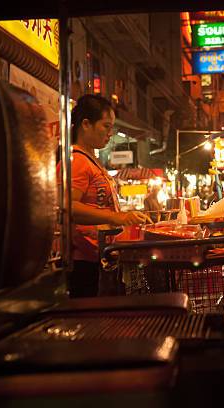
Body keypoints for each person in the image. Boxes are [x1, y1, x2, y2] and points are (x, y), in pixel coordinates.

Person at [57, 94, 152, 297]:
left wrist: (127, 215)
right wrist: (115, 217)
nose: (110, 133)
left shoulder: (91, 160)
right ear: (85, 124)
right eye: (105, 126)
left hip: (99, 258)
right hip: (83, 264)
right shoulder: (77, 161)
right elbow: (67, 206)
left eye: (112, 127)